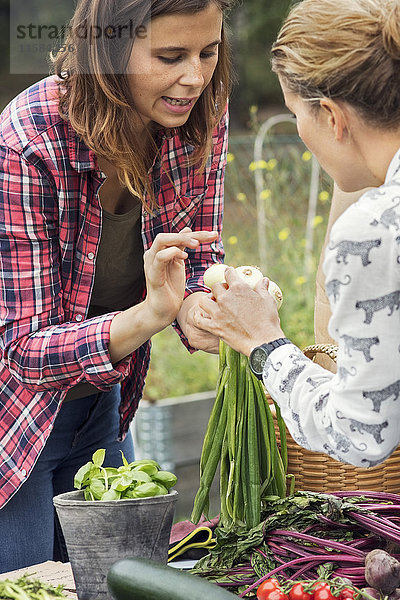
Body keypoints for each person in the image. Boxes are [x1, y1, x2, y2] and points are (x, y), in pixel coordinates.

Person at [0, 0, 233, 571]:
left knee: (114, 582)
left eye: (208, 52)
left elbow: (198, 255)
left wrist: (204, 305)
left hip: (104, 402)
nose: (195, 77)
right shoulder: (27, 143)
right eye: (170, 56)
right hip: (16, 425)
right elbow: (23, 351)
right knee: (31, 582)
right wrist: (154, 314)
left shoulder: (200, 116)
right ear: (107, 51)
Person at [194, 0, 400, 469]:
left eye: (294, 114)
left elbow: (360, 434)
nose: (302, 135)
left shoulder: (375, 227)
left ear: (331, 116)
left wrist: (262, 340)